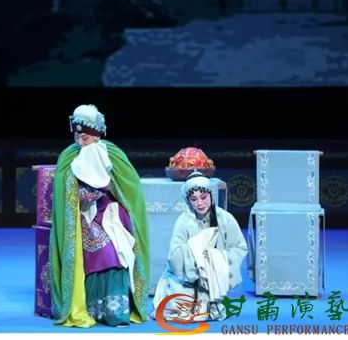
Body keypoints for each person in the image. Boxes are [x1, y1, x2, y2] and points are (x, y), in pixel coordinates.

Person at [49, 104, 150, 327]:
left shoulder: (112, 154)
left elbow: (129, 188)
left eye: (85, 138)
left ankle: (116, 312)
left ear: (96, 135)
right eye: (77, 136)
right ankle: (89, 307)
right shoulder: (69, 156)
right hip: (81, 217)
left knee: (117, 252)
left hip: (110, 213)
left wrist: (105, 190)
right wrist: (81, 195)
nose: (80, 142)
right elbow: (64, 190)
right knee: (99, 250)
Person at [152, 172, 248, 322]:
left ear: (211, 195)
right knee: (181, 307)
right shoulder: (183, 222)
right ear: (188, 201)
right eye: (194, 199)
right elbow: (175, 255)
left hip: (212, 277)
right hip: (185, 277)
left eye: (203, 197)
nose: (200, 203)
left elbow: (239, 247)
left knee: (204, 307)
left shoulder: (225, 219)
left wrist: (218, 260)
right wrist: (196, 259)